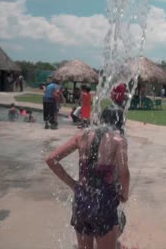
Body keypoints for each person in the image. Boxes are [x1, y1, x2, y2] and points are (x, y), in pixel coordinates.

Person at [45, 106, 130, 249]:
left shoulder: (81, 136)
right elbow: (124, 173)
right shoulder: (118, 140)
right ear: (119, 122)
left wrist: (73, 184)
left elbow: (51, 159)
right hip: (104, 204)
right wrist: (124, 195)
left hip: (81, 202)